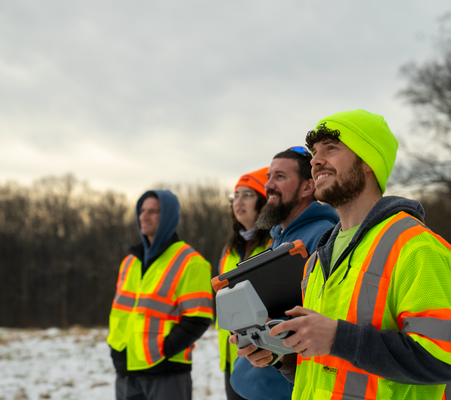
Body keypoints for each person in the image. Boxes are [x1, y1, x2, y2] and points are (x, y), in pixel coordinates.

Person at [245, 110, 451, 400]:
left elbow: (444, 361)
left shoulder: (416, 246)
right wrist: (279, 357)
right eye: (315, 152)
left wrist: (338, 337)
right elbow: (324, 367)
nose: (316, 160)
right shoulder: (317, 261)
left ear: (368, 162)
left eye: (331, 148)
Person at [230, 147, 339, 400]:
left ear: (307, 187)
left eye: (280, 177)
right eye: (269, 177)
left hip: (284, 390)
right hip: (251, 383)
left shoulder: (323, 236)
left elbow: (322, 318)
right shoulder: (279, 238)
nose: (268, 185)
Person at [107, 190, 214, 400]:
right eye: (142, 210)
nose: (144, 216)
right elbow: (120, 312)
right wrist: (116, 349)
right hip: (126, 369)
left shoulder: (191, 261)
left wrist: (163, 351)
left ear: (167, 217)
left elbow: (199, 319)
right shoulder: (130, 261)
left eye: (153, 212)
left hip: (166, 372)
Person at [217, 167, 273, 400]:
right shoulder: (229, 250)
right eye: (235, 196)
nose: (238, 201)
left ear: (262, 201)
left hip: (265, 358)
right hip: (232, 357)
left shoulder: (273, 244)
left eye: (247, 195)